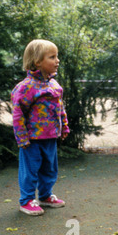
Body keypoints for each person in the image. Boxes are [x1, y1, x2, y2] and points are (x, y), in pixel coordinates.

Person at [11, 39, 69, 216]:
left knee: (49, 168)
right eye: (52, 57)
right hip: (32, 140)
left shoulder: (54, 85)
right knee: (30, 171)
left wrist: (64, 127)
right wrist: (21, 137)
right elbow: (18, 113)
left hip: (50, 137)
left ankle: (45, 195)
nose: (57, 60)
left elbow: (60, 107)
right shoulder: (26, 87)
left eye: (57, 56)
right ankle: (27, 200)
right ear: (37, 62)